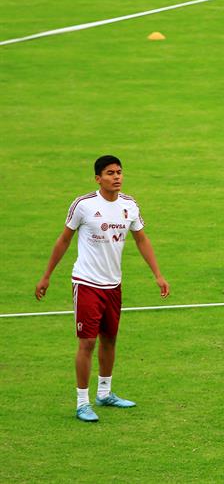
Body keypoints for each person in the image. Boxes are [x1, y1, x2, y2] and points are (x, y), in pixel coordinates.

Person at [34, 155, 170, 422]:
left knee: (110, 339)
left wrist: (158, 275)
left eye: (119, 172)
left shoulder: (129, 205)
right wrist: (46, 275)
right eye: (110, 173)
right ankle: (82, 402)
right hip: (86, 283)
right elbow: (63, 240)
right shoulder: (83, 205)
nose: (116, 177)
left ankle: (105, 393)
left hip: (113, 285)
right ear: (98, 178)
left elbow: (141, 240)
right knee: (87, 342)